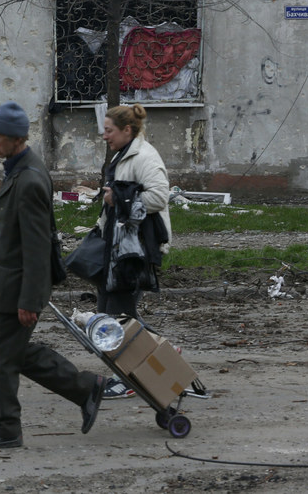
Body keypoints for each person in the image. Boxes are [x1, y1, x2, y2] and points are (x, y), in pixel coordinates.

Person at [0, 101, 105, 450]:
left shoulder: (28, 179)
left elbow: (38, 247)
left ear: (15, 139)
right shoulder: (19, 169)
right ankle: (87, 387)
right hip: (10, 283)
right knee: (14, 352)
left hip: (18, 288)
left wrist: (29, 299)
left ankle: (6, 428)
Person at [96, 104, 171, 399]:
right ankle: (158, 355)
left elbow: (158, 196)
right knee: (109, 314)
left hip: (136, 250)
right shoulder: (123, 154)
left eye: (109, 130)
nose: (105, 136)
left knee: (118, 317)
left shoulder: (145, 157)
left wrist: (120, 199)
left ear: (127, 130)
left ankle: (133, 377)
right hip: (119, 246)